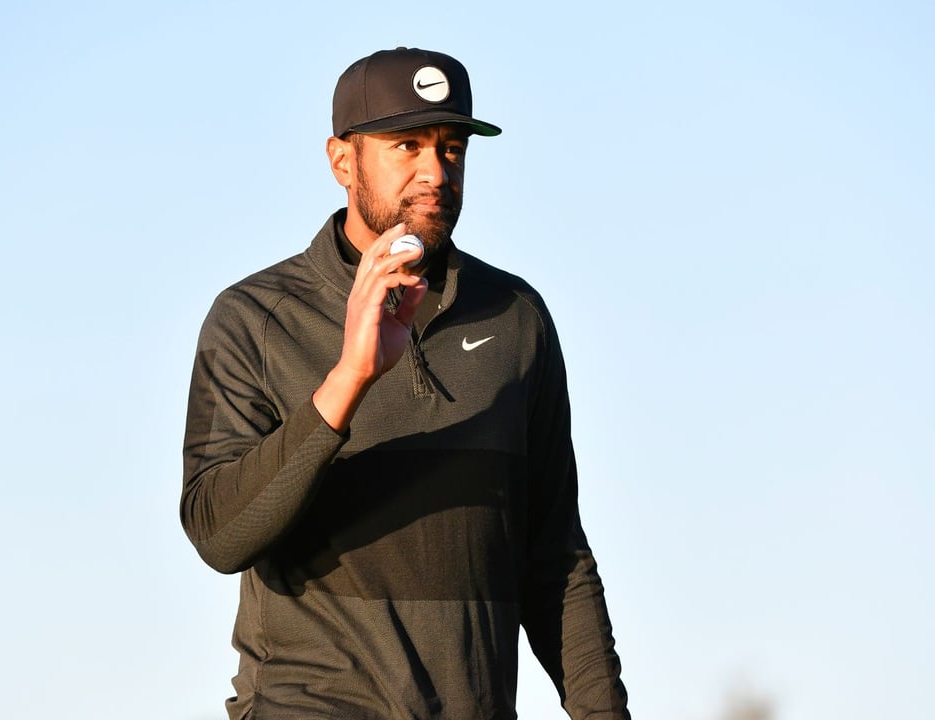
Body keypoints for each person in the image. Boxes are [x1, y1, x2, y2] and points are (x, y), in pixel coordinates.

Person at [181, 47, 629, 720]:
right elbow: (218, 533)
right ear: (341, 161)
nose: (436, 172)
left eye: (452, 149)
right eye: (407, 146)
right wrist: (349, 378)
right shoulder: (254, 318)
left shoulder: (516, 319)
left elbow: (555, 558)